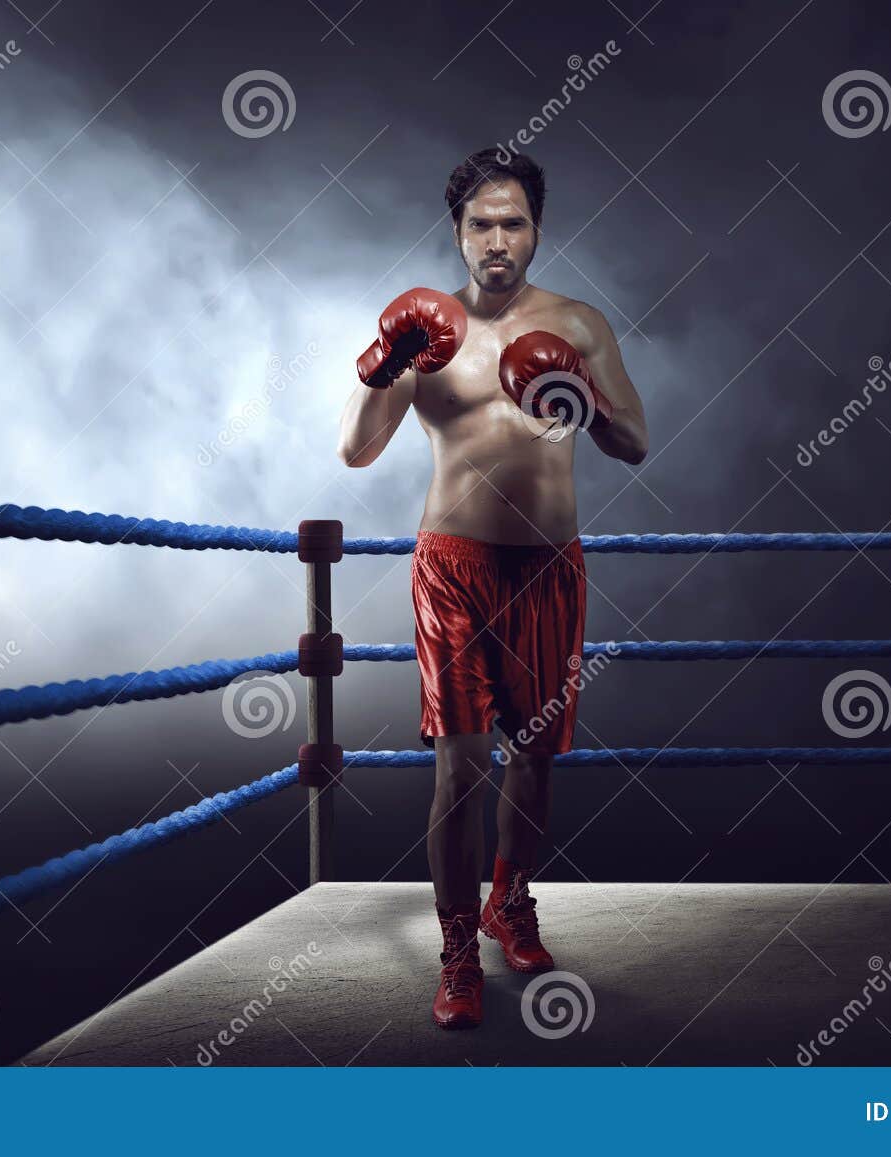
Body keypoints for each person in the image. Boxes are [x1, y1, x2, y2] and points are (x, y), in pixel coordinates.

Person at [337, 147, 649, 1029]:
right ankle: (456, 947)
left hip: (549, 568)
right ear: (458, 234)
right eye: (482, 223)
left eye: (513, 222)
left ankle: (511, 899)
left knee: (537, 756)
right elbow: (357, 450)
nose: (498, 239)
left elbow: (635, 442)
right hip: (454, 570)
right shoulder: (426, 329)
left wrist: (581, 390)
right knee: (462, 764)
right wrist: (382, 363)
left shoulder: (579, 324)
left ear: (536, 229)